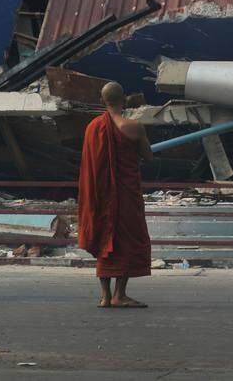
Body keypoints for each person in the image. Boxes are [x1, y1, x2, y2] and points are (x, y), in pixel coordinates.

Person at [77, 81, 152, 309]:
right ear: (125, 99)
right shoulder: (134, 127)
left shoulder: (92, 128)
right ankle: (120, 294)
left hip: (100, 196)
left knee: (104, 239)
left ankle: (105, 296)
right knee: (125, 241)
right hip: (126, 196)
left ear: (102, 101)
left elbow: (88, 166)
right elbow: (148, 156)